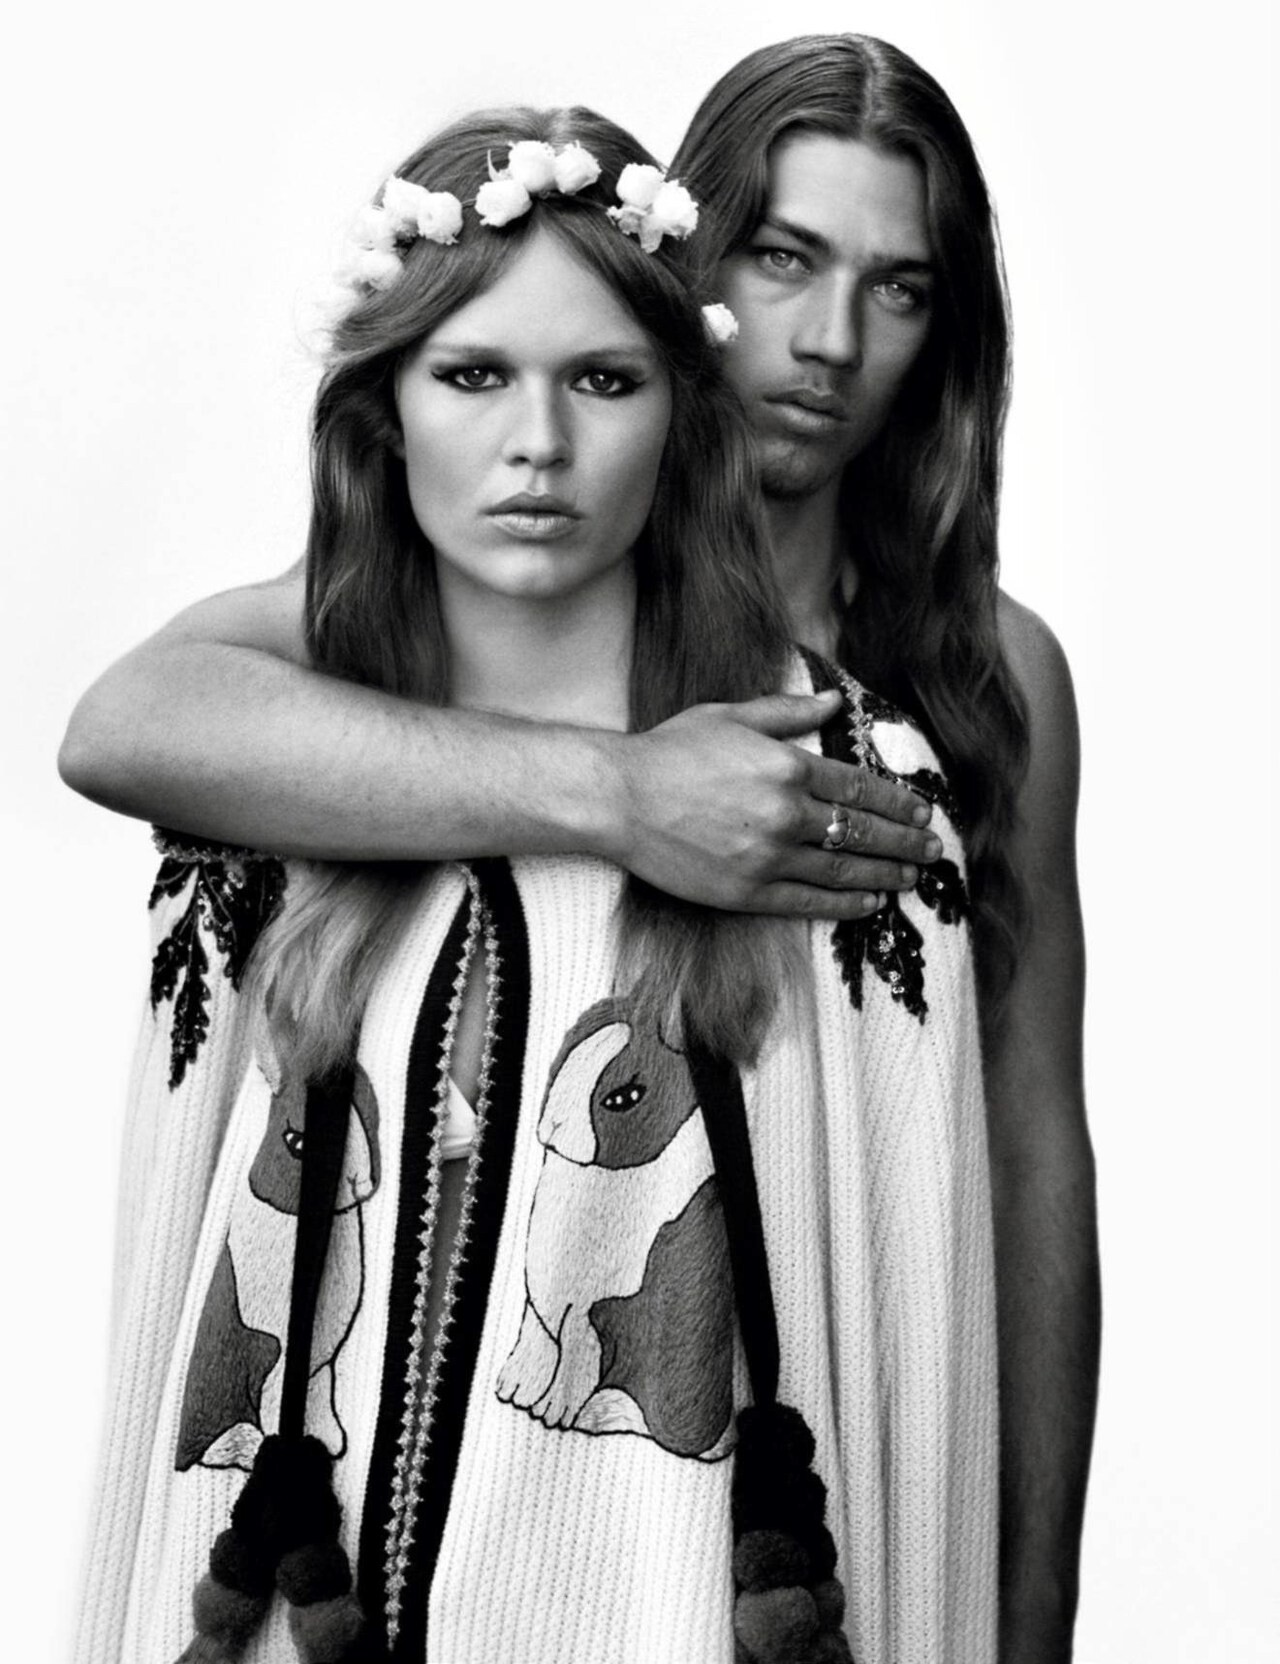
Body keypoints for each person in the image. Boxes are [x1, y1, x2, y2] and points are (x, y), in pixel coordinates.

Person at [61, 33, 1097, 1664]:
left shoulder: (959, 689)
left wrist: (1028, 1611)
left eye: (899, 288)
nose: (828, 341)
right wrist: (617, 792)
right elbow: (130, 719)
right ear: (691, 267)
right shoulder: (432, 616)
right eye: (781, 259)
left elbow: (1023, 1155)